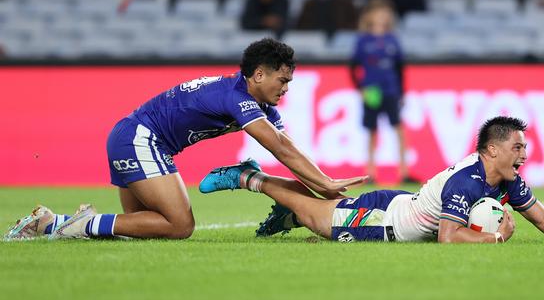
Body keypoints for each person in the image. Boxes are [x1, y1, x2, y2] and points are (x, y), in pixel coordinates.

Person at [4, 38, 366, 241]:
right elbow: (280, 148)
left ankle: (66, 224)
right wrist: (325, 183)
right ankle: (60, 223)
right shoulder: (237, 98)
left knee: (143, 227)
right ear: (258, 74)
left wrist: (320, 186)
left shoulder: (254, 102)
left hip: (137, 137)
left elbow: (290, 149)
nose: (286, 89)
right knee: (181, 226)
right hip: (139, 139)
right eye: (282, 81)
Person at [199, 116, 544, 244]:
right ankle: (249, 177)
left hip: (402, 205)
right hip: (384, 220)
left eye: (524, 147)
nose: (524, 154)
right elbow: (449, 237)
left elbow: (541, 215)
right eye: (517, 148)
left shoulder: (506, 179)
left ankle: (285, 216)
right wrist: (496, 237)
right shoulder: (467, 181)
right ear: (493, 150)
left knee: (314, 214)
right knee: (314, 215)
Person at [349, 0, 416, 185]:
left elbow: (399, 68)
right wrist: (360, 89)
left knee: (399, 129)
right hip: (372, 91)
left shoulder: (392, 40)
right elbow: (353, 67)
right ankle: (370, 172)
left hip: (391, 89)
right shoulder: (363, 40)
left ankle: (404, 171)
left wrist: (402, 92)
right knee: (372, 131)